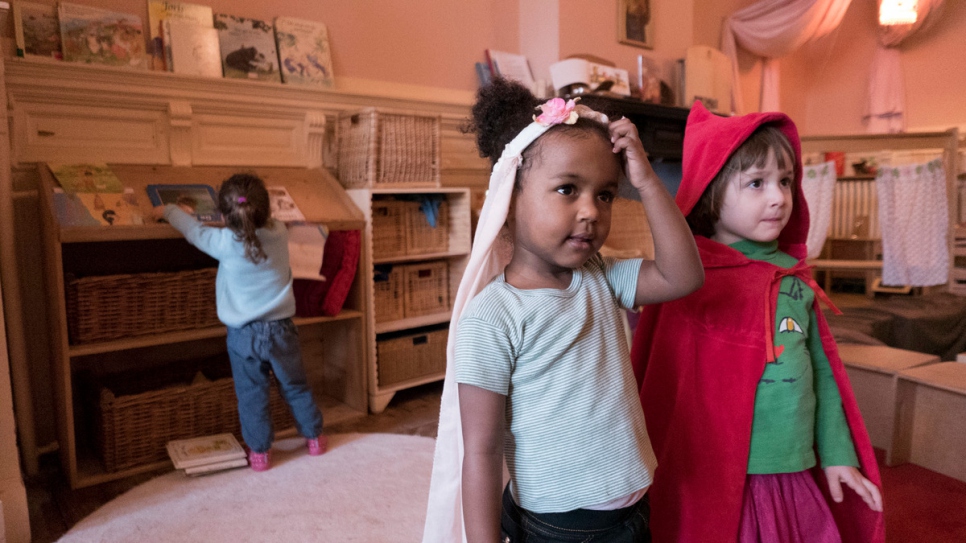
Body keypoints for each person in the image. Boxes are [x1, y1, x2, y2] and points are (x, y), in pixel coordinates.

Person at [422, 78, 704, 543]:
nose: (591, 210)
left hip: (630, 502)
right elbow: (483, 451)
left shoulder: (599, 277)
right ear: (510, 201)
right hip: (561, 522)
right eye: (568, 189)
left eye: (606, 194)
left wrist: (647, 182)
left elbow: (683, 276)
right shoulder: (493, 316)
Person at [630, 102, 885, 543]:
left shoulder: (794, 279)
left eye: (786, 181)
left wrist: (837, 454)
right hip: (717, 475)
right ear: (711, 190)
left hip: (791, 467)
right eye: (757, 183)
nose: (779, 197)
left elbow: (824, 374)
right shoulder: (687, 280)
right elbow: (668, 384)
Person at [154, 173, 326, 472]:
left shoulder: (221, 242)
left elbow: (192, 230)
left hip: (243, 335)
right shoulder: (280, 232)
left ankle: (259, 454)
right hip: (282, 329)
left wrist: (168, 211)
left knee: (252, 395)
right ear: (266, 211)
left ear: (224, 214)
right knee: (296, 386)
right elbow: (257, 225)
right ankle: (314, 438)